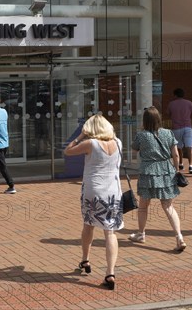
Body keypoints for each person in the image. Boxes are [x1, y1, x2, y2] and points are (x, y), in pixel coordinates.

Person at [63, 114, 123, 290]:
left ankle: (85, 259)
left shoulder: (91, 144)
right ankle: (110, 273)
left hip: (93, 191)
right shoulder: (118, 143)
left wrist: (81, 136)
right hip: (113, 192)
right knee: (110, 232)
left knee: (89, 225)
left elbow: (67, 150)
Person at [128, 106, 187, 252]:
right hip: (167, 171)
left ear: (145, 120)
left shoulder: (142, 135)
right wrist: (176, 170)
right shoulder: (168, 133)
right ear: (158, 119)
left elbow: (134, 149)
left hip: (148, 172)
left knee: (143, 205)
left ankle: (141, 233)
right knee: (168, 206)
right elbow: (176, 154)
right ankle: (179, 237)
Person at [167, 88, 192, 174]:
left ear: (175, 95)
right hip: (187, 127)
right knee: (189, 147)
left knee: (178, 147)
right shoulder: (188, 103)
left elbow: (168, 114)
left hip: (176, 128)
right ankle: (191, 166)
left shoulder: (171, 104)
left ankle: (180, 163)